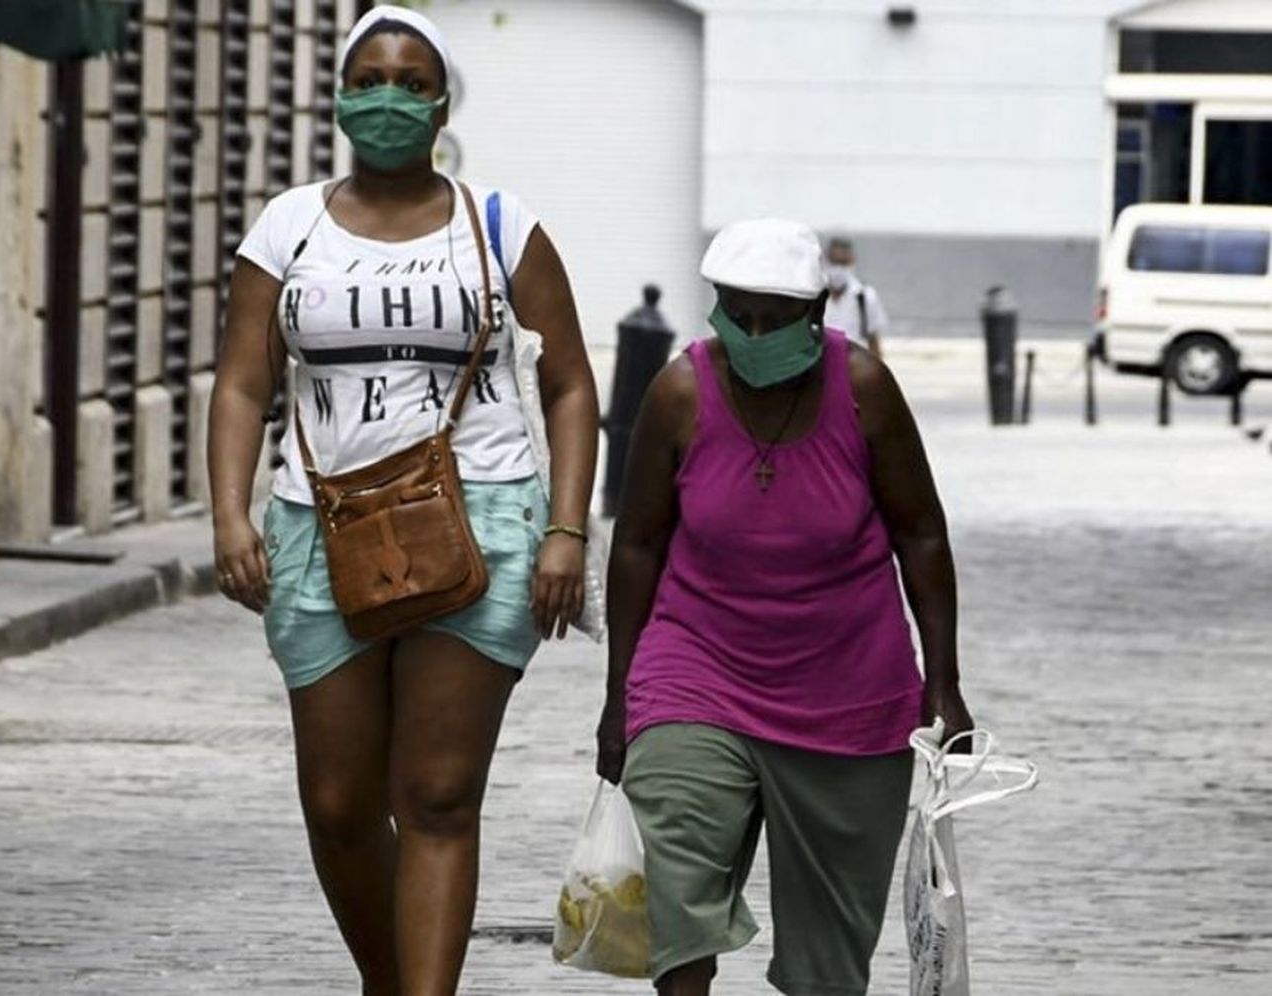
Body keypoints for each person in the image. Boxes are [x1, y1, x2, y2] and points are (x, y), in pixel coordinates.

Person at [206, 7, 599, 994]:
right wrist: (228, 513)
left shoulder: (501, 226)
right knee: (339, 803)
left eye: (410, 80)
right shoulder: (286, 227)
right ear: (340, 96)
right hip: (320, 528)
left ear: (440, 100)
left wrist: (565, 531)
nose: (387, 96)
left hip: (484, 527)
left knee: (435, 796)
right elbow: (243, 381)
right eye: (368, 77)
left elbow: (572, 385)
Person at [595, 218, 974, 995]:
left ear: (819, 312)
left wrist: (945, 682)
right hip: (695, 672)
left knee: (827, 965)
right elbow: (635, 546)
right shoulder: (678, 392)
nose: (758, 333)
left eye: (777, 317)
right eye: (741, 315)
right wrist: (619, 697)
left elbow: (921, 535)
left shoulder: (864, 389)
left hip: (850, 695)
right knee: (676, 892)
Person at [822, 236, 889, 358]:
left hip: (853, 366)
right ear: (826, 260)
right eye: (834, 262)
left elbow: (873, 340)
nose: (838, 268)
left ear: (852, 261)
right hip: (821, 367)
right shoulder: (815, 295)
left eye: (843, 263)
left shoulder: (864, 296)